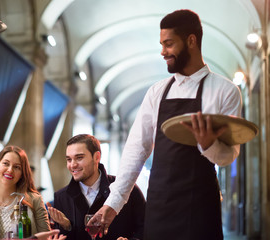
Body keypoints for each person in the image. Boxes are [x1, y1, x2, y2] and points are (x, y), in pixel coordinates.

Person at [91, 9, 242, 240]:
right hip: (160, 205)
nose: (163, 52)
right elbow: (136, 149)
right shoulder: (157, 92)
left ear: (191, 40)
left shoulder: (225, 91)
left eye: (169, 44)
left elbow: (229, 156)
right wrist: (112, 205)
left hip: (201, 207)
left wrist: (209, 145)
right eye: (161, 44)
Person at [48, 134, 145, 240]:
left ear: (97, 157)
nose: (72, 165)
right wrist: (67, 227)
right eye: (69, 159)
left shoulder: (127, 189)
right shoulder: (61, 197)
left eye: (79, 158)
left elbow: (146, 228)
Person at [0, 145, 51, 239]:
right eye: (6, 163)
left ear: (22, 173)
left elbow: (47, 237)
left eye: (17, 167)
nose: (10, 170)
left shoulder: (35, 200)